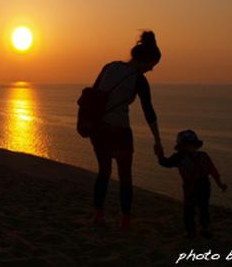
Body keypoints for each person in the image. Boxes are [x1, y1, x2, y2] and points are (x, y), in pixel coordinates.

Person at [90, 31, 163, 228]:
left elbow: (94, 94)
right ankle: (125, 220)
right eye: (152, 65)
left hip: (98, 129)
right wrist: (158, 141)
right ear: (146, 60)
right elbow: (149, 112)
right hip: (120, 131)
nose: (151, 70)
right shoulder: (139, 79)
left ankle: (98, 215)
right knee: (125, 176)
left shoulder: (109, 66)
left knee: (104, 172)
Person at [155, 129, 227, 238]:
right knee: (189, 209)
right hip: (190, 186)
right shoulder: (179, 157)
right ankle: (191, 231)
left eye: (192, 145)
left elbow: (213, 170)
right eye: (188, 145)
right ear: (183, 146)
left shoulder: (203, 156)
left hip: (204, 184)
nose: (190, 147)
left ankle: (205, 228)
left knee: (203, 207)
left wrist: (220, 183)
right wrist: (159, 155)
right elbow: (166, 163)